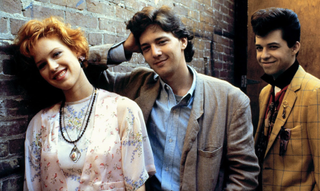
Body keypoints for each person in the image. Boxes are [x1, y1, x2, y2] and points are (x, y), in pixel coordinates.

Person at [88, 5, 260, 191]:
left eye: (162, 41)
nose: (155, 52)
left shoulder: (230, 100)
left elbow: (245, 176)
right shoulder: (136, 85)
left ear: (183, 41)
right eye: (146, 47)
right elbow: (83, 73)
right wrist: (125, 48)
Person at [14, 16, 155, 191]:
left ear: (78, 51)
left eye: (56, 54)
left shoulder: (124, 110)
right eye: (42, 65)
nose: (52, 66)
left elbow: (136, 186)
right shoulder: (39, 124)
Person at [251, 7, 320, 190]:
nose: (264, 56)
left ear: (295, 47)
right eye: (259, 48)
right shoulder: (265, 92)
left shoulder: (315, 92)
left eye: (273, 47)